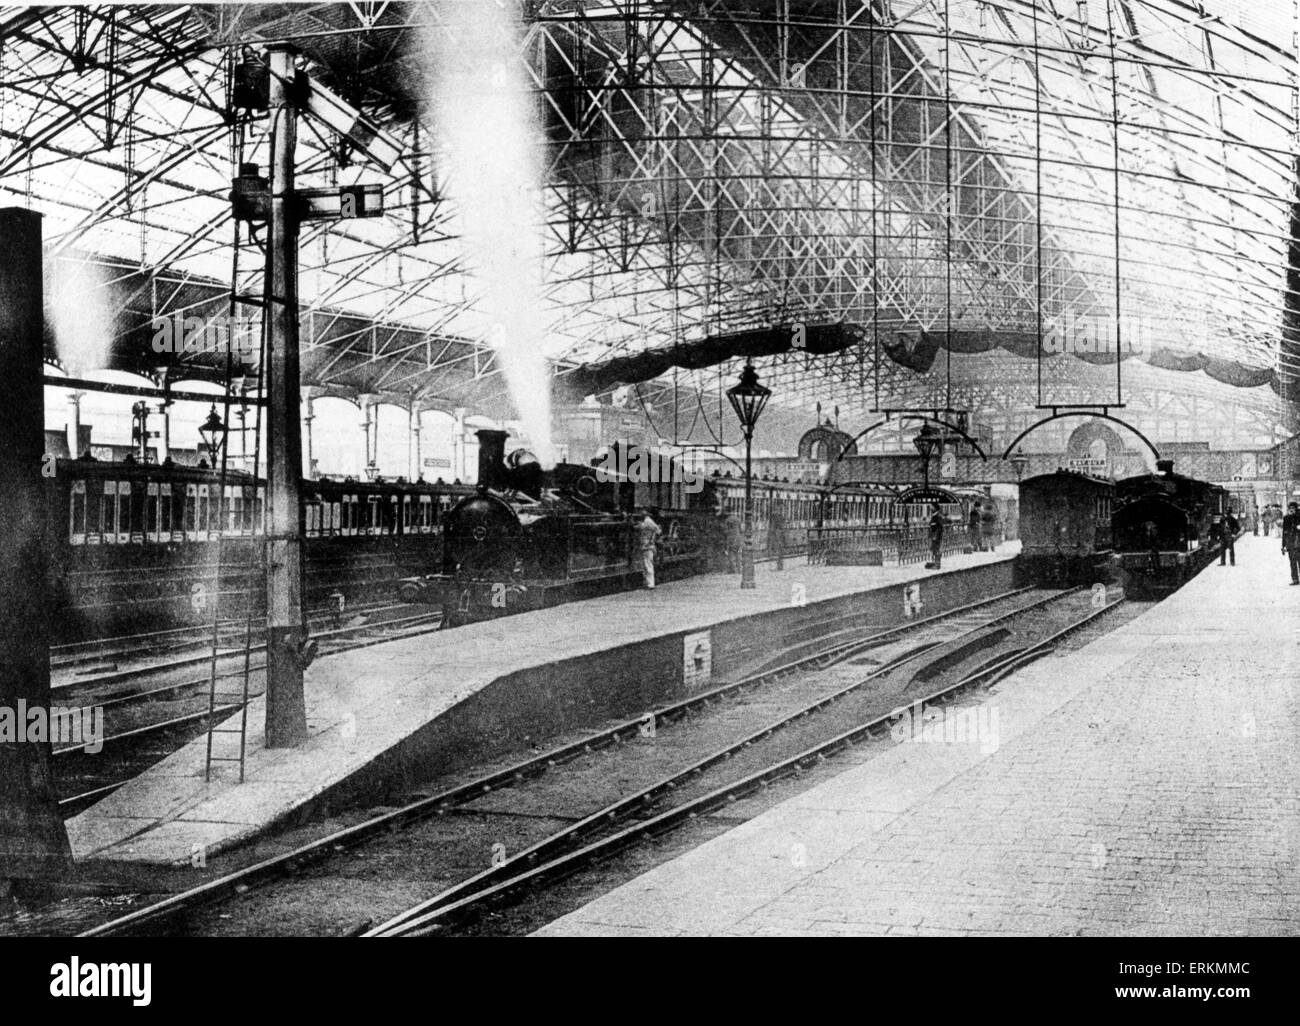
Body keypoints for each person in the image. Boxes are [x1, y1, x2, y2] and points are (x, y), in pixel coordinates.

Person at [637, 509, 663, 589]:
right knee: (645, 565)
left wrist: (652, 539)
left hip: (648, 546)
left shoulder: (648, 521)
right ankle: (647, 583)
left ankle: (651, 584)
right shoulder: (646, 521)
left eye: (641, 515)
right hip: (645, 546)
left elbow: (658, 530)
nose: (640, 516)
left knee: (648, 564)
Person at [1283, 502, 1300, 585]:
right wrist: (1283, 545)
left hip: (1299, 543)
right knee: (1292, 562)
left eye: (1293, 508)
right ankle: (1295, 579)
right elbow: (1284, 532)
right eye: (1290, 508)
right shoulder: (1286, 518)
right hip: (1290, 543)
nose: (1291, 509)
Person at [927, 505, 945, 570]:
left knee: (937, 550)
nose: (931, 508)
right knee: (934, 550)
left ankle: (937, 565)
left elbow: (940, 527)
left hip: (937, 536)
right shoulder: (934, 516)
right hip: (934, 535)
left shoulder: (938, 516)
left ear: (936, 508)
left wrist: (936, 536)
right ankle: (935, 564)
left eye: (932, 507)